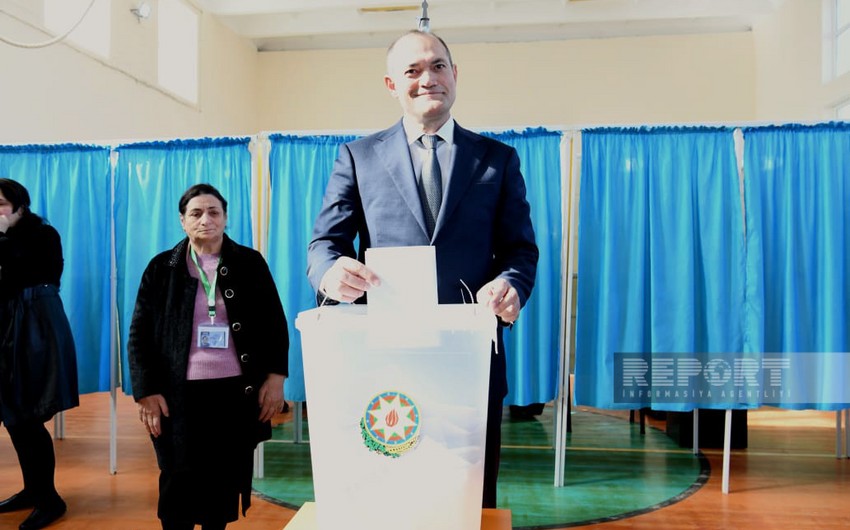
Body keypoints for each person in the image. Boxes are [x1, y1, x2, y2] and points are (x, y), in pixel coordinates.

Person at [306, 30, 539, 508]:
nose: (426, 79)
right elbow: (324, 245)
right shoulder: (358, 156)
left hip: (469, 361)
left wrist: (510, 284)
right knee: (389, 493)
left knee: (468, 495)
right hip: (384, 362)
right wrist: (331, 273)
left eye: (437, 66)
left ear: (455, 75)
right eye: (412, 70)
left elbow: (520, 250)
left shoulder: (497, 159)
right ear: (392, 85)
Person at [128, 183, 289, 530]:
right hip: (177, 394)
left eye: (214, 212)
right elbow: (139, 334)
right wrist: (146, 391)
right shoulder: (162, 268)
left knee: (223, 480)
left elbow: (274, 323)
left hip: (235, 391)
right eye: (196, 213)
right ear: (182, 221)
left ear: (226, 218)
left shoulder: (249, 262)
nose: (206, 219)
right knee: (177, 479)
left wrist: (276, 378)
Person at [0, 178, 78, 530]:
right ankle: (34, 490)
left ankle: (49, 499)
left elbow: (38, 275)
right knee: (14, 417)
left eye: (0, 204)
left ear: (19, 204)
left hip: (36, 330)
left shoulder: (43, 234)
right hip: (6, 329)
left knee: (28, 418)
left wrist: (3, 239)